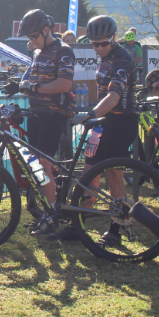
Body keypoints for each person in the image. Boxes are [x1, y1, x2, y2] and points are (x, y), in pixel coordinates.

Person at [54, 15, 137, 246]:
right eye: (94, 44)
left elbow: (114, 95)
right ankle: (76, 225)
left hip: (122, 121)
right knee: (88, 174)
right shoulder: (104, 56)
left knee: (113, 175)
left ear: (114, 37)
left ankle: (116, 230)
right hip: (103, 121)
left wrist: (91, 113)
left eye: (103, 43)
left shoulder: (123, 57)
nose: (99, 48)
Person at [0, 10, 75, 235]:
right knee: (34, 164)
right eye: (29, 38)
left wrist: (35, 88)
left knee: (42, 163)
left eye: (34, 36)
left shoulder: (64, 50)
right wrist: (19, 84)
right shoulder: (37, 53)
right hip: (36, 112)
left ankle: (51, 215)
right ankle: (46, 210)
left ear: (46, 30)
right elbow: (29, 79)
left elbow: (64, 84)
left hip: (54, 113)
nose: (32, 41)